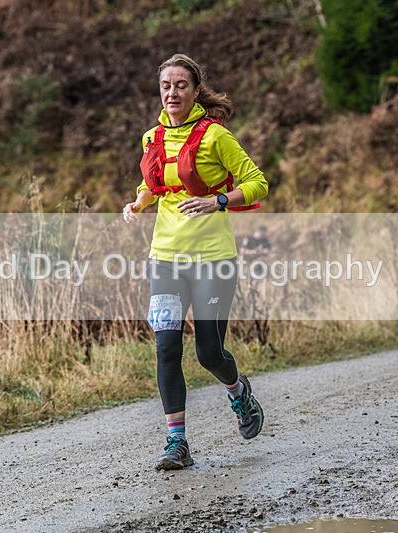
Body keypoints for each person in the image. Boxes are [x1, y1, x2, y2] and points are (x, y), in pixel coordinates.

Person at [122, 53, 269, 470]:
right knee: (166, 348)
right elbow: (156, 182)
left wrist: (219, 199)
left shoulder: (215, 137)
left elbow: (258, 184)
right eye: (166, 85)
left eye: (180, 85)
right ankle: (177, 443)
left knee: (208, 353)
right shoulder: (151, 137)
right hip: (164, 260)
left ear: (194, 89)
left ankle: (239, 392)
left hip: (212, 259)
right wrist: (138, 202)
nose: (172, 92)